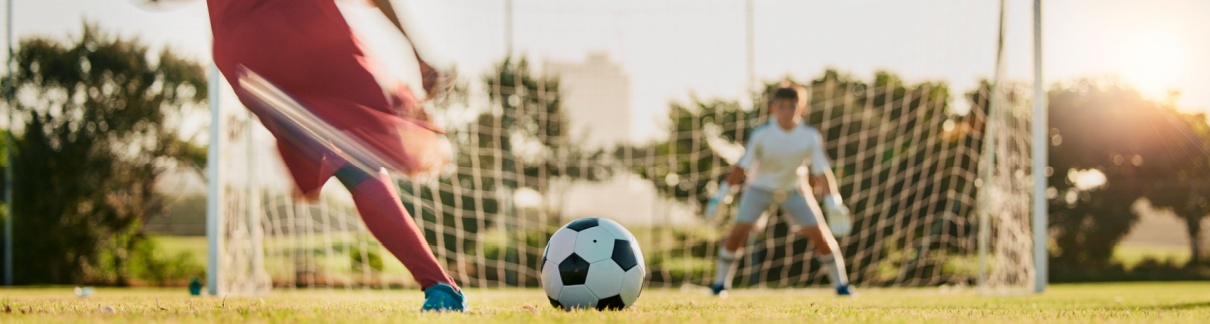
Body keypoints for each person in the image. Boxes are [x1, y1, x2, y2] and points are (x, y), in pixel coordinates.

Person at [207, 0, 466, 311]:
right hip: (284, 41)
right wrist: (416, 52)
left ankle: (438, 284)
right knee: (352, 158)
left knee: (349, 159)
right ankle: (438, 285)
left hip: (251, 53)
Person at [711, 83, 854, 297]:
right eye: (782, 106)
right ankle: (720, 284)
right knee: (737, 232)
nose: (787, 111)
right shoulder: (761, 135)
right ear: (773, 108)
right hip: (759, 188)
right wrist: (723, 194)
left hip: (795, 189)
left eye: (792, 106)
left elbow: (822, 171)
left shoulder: (809, 136)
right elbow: (741, 166)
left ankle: (842, 285)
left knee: (820, 234)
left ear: (801, 108)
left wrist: (834, 201)